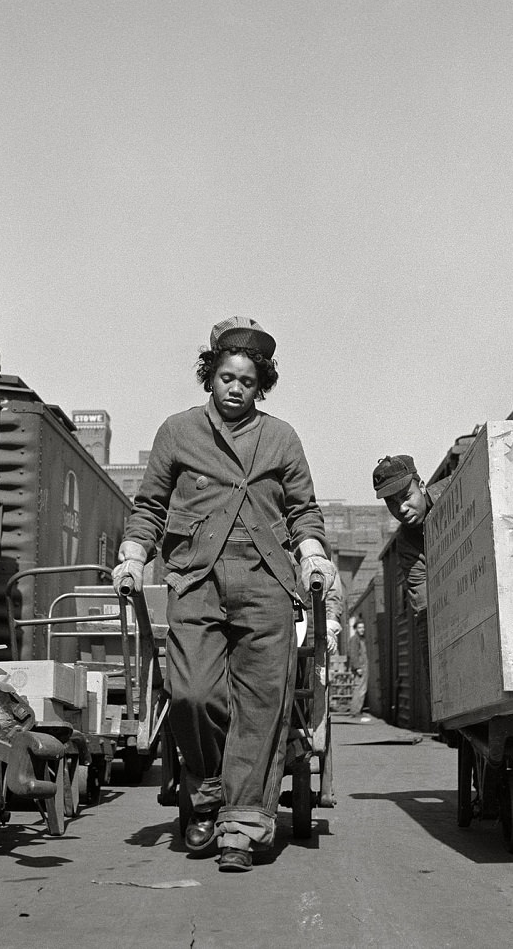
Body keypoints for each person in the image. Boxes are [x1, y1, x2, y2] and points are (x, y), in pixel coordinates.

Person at [112, 316, 337, 874]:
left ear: (262, 386)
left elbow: (303, 509)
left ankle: (240, 826)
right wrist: (136, 554)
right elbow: (151, 506)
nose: (236, 388)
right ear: (209, 376)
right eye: (226, 376)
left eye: (248, 380)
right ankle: (208, 789)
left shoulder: (281, 436)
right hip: (195, 579)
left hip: (266, 583)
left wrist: (311, 551)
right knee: (191, 694)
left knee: (261, 709)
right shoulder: (178, 431)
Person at [372, 454, 448, 714]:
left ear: (423, 486)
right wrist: (434, 689)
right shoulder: (407, 543)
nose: (401, 509)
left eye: (406, 497)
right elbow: (424, 611)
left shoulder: (456, 492)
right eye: (391, 504)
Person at [346, 618, 369, 715]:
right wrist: (357, 667)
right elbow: (353, 654)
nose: (362, 629)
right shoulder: (355, 639)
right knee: (359, 689)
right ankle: (355, 711)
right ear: (355, 629)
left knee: (361, 689)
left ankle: (357, 710)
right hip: (360, 667)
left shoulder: (360, 639)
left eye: (363, 627)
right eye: (359, 627)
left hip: (363, 666)